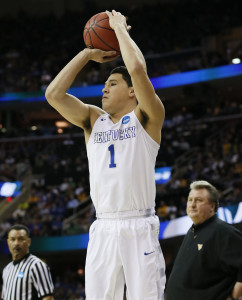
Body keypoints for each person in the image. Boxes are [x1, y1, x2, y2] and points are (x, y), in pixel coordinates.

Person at [45, 9, 166, 300]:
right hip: (103, 226)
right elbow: (53, 94)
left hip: (139, 224)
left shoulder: (147, 118)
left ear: (132, 93)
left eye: (112, 84)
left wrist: (119, 28)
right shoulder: (92, 120)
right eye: (104, 85)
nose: (104, 89)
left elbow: (137, 70)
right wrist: (87, 54)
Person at [166, 180, 242, 300]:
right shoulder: (191, 231)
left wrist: (233, 296)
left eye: (198, 200)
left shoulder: (222, 231)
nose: (192, 204)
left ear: (212, 206)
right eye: (190, 200)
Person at [1, 224, 54, 300]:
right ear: (8, 242)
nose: (16, 243)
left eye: (21, 239)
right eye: (12, 239)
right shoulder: (6, 269)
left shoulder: (36, 265)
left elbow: (48, 297)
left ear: (28, 242)